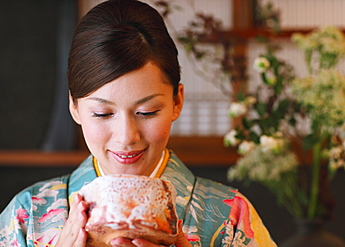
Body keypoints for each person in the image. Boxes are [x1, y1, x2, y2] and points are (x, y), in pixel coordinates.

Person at [0, 0, 277, 246]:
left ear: (176, 102)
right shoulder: (27, 216)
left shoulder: (231, 217)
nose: (126, 137)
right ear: (74, 107)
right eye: (102, 114)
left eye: (146, 112)